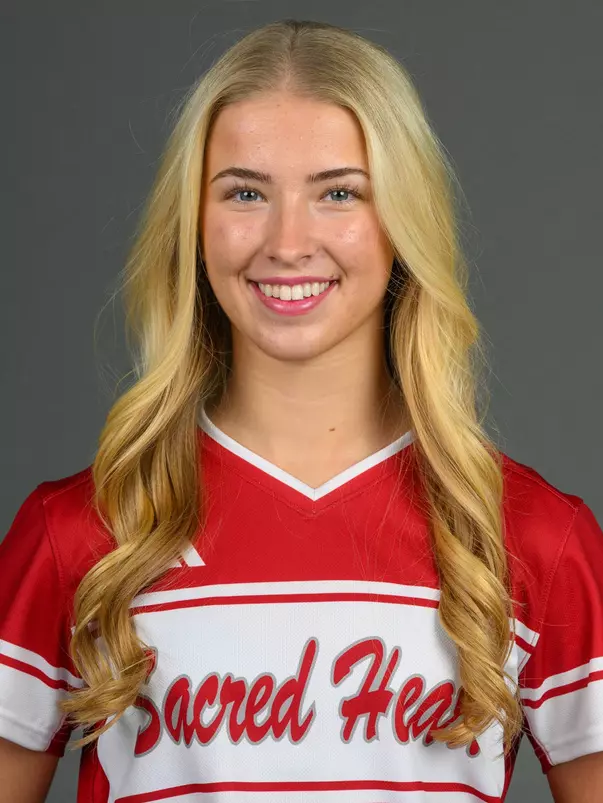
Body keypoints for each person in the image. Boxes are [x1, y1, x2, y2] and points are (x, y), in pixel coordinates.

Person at [0, 18, 601, 803]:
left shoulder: (531, 539)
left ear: (402, 222)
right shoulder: (80, 535)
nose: (287, 242)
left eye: (338, 193)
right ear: (193, 224)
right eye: (245, 192)